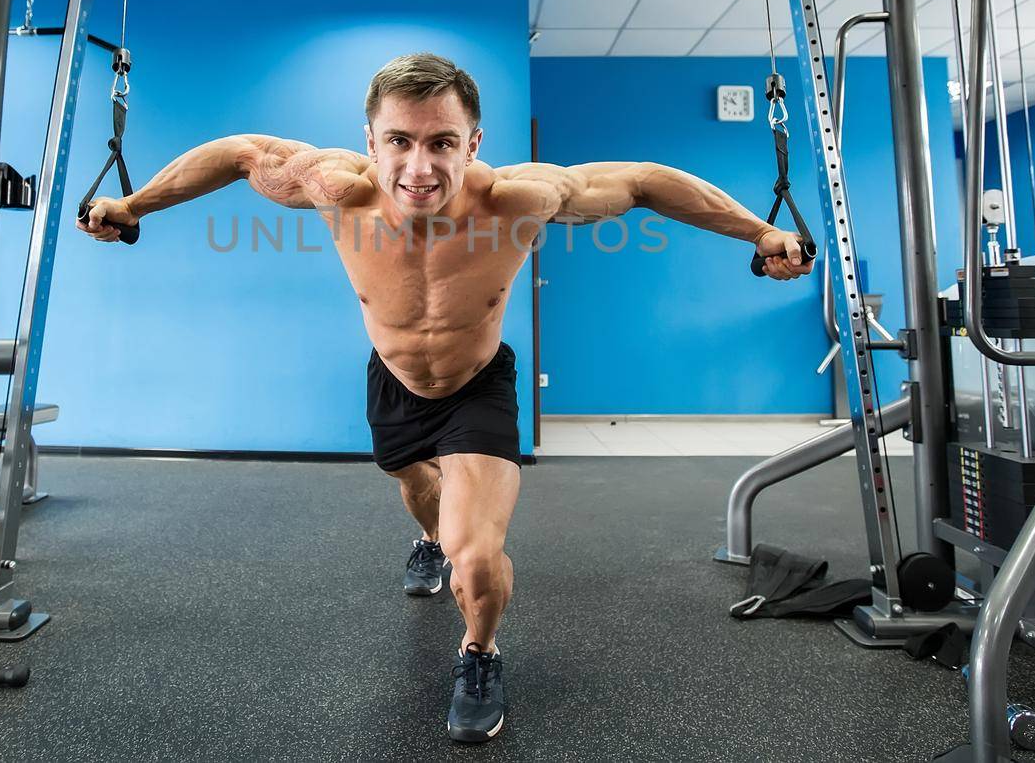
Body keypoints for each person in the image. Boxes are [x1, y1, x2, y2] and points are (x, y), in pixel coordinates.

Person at [77, 53, 814, 742]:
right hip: (393, 379)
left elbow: (648, 178)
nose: (420, 165)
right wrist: (135, 203)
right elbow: (239, 152)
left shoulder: (521, 197)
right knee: (413, 486)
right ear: (370, 138)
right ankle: (428, 537)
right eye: (399, 140)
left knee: (479, 556)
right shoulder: (335, 186)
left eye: (442, 142)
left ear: (473, 141)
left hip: (477, 386)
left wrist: (760, 231)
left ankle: (480, 649)